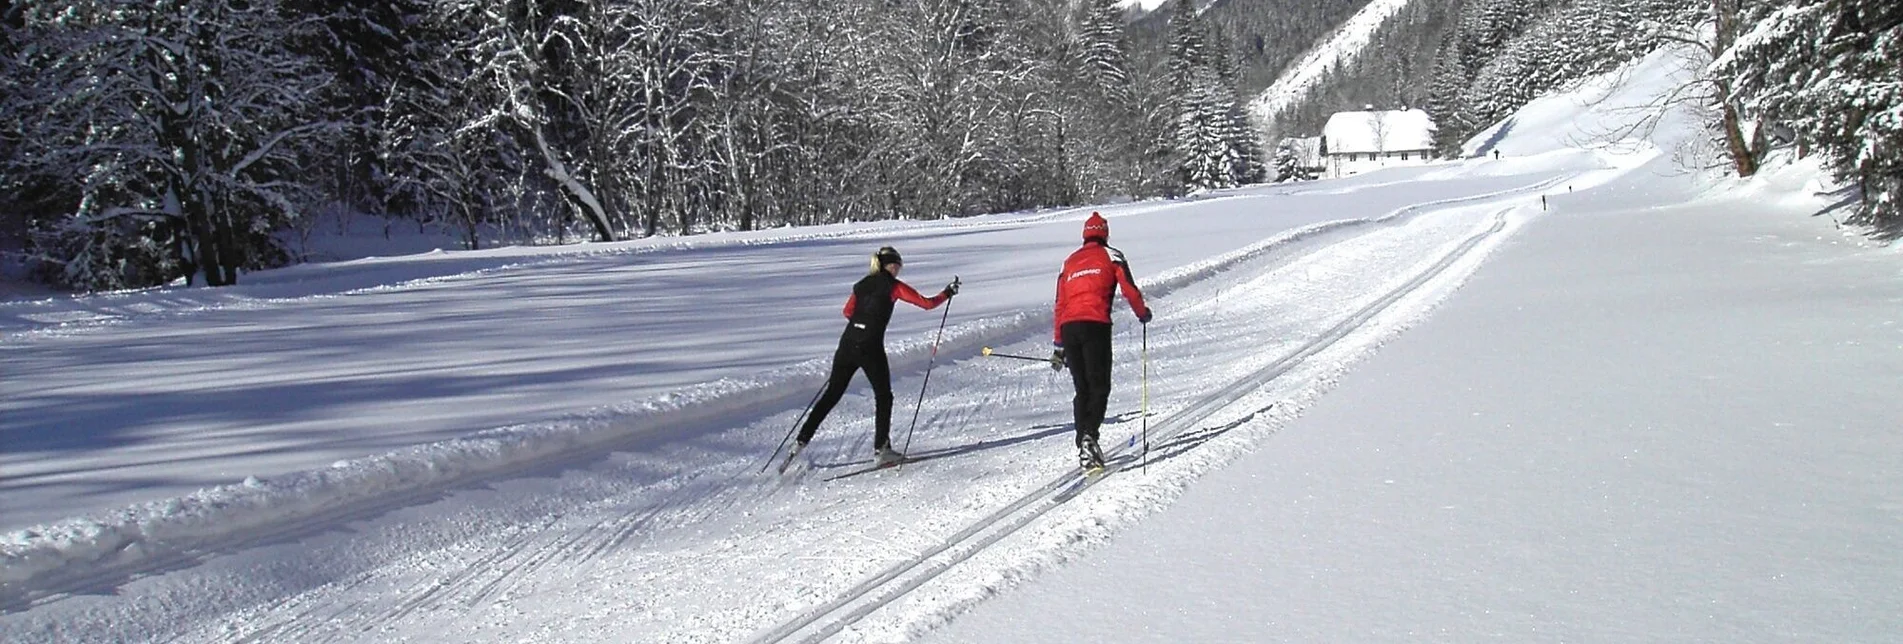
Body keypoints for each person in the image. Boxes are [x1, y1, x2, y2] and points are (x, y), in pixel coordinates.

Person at [792, 246, 958, 467]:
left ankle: (800, 441)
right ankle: (882, 449)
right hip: (870, 347)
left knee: (832, 394)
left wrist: (863, 321)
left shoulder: (861, 285)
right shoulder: (894, 286)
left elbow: (848, 312)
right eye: (897, 266)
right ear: (891, 265)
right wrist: (947, 292)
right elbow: (926, 303)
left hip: (847, 344)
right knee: (883, 396)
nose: (898, 270)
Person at [1050, 212, 1151, 470]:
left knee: (1082, 389)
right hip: (1095, 325)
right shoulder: (1112, 255)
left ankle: (1084, 442)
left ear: (1085, 234)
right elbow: (1129, 289)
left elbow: (1060, 303)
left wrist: (1058, 345)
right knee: (1099, 386)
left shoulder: (1068, 262)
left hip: (1069, 328)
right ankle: (1089, 438)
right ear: (1104, 233)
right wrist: (1142, 313)